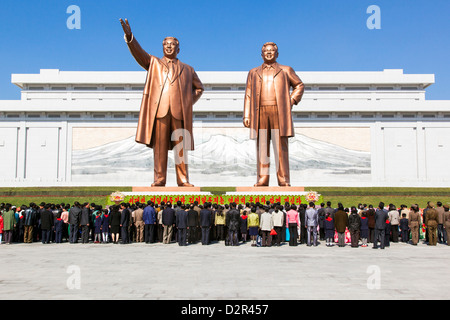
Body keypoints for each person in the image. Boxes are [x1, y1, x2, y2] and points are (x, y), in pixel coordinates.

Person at [120, 19, 204, 187]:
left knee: (181, 148)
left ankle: (183, 179)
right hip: (160, 111)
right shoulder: (154, 63)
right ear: (162, 47)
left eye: (172, 44)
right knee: (159, 148)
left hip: (179, 112)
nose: (168, 46)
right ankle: (159, 179)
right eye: (166, 44)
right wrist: (130, 36)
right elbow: (139, 53)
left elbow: (199, 88)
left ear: (178, 48)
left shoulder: (188, 69)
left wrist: (187, 103)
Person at [243, 42, 305, 187]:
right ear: (261, 54)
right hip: (260, 112)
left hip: (279, 112)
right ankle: (262, 179)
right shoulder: (253, 72)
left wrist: (291, 100)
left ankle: (283, 179)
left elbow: (299, 85)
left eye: (272, 51)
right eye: (266, 51)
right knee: (262, 146)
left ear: (277, 54)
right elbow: (248, 94)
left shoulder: (285, 70)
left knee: (280, 147)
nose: (269, 53)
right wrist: (247, 115)